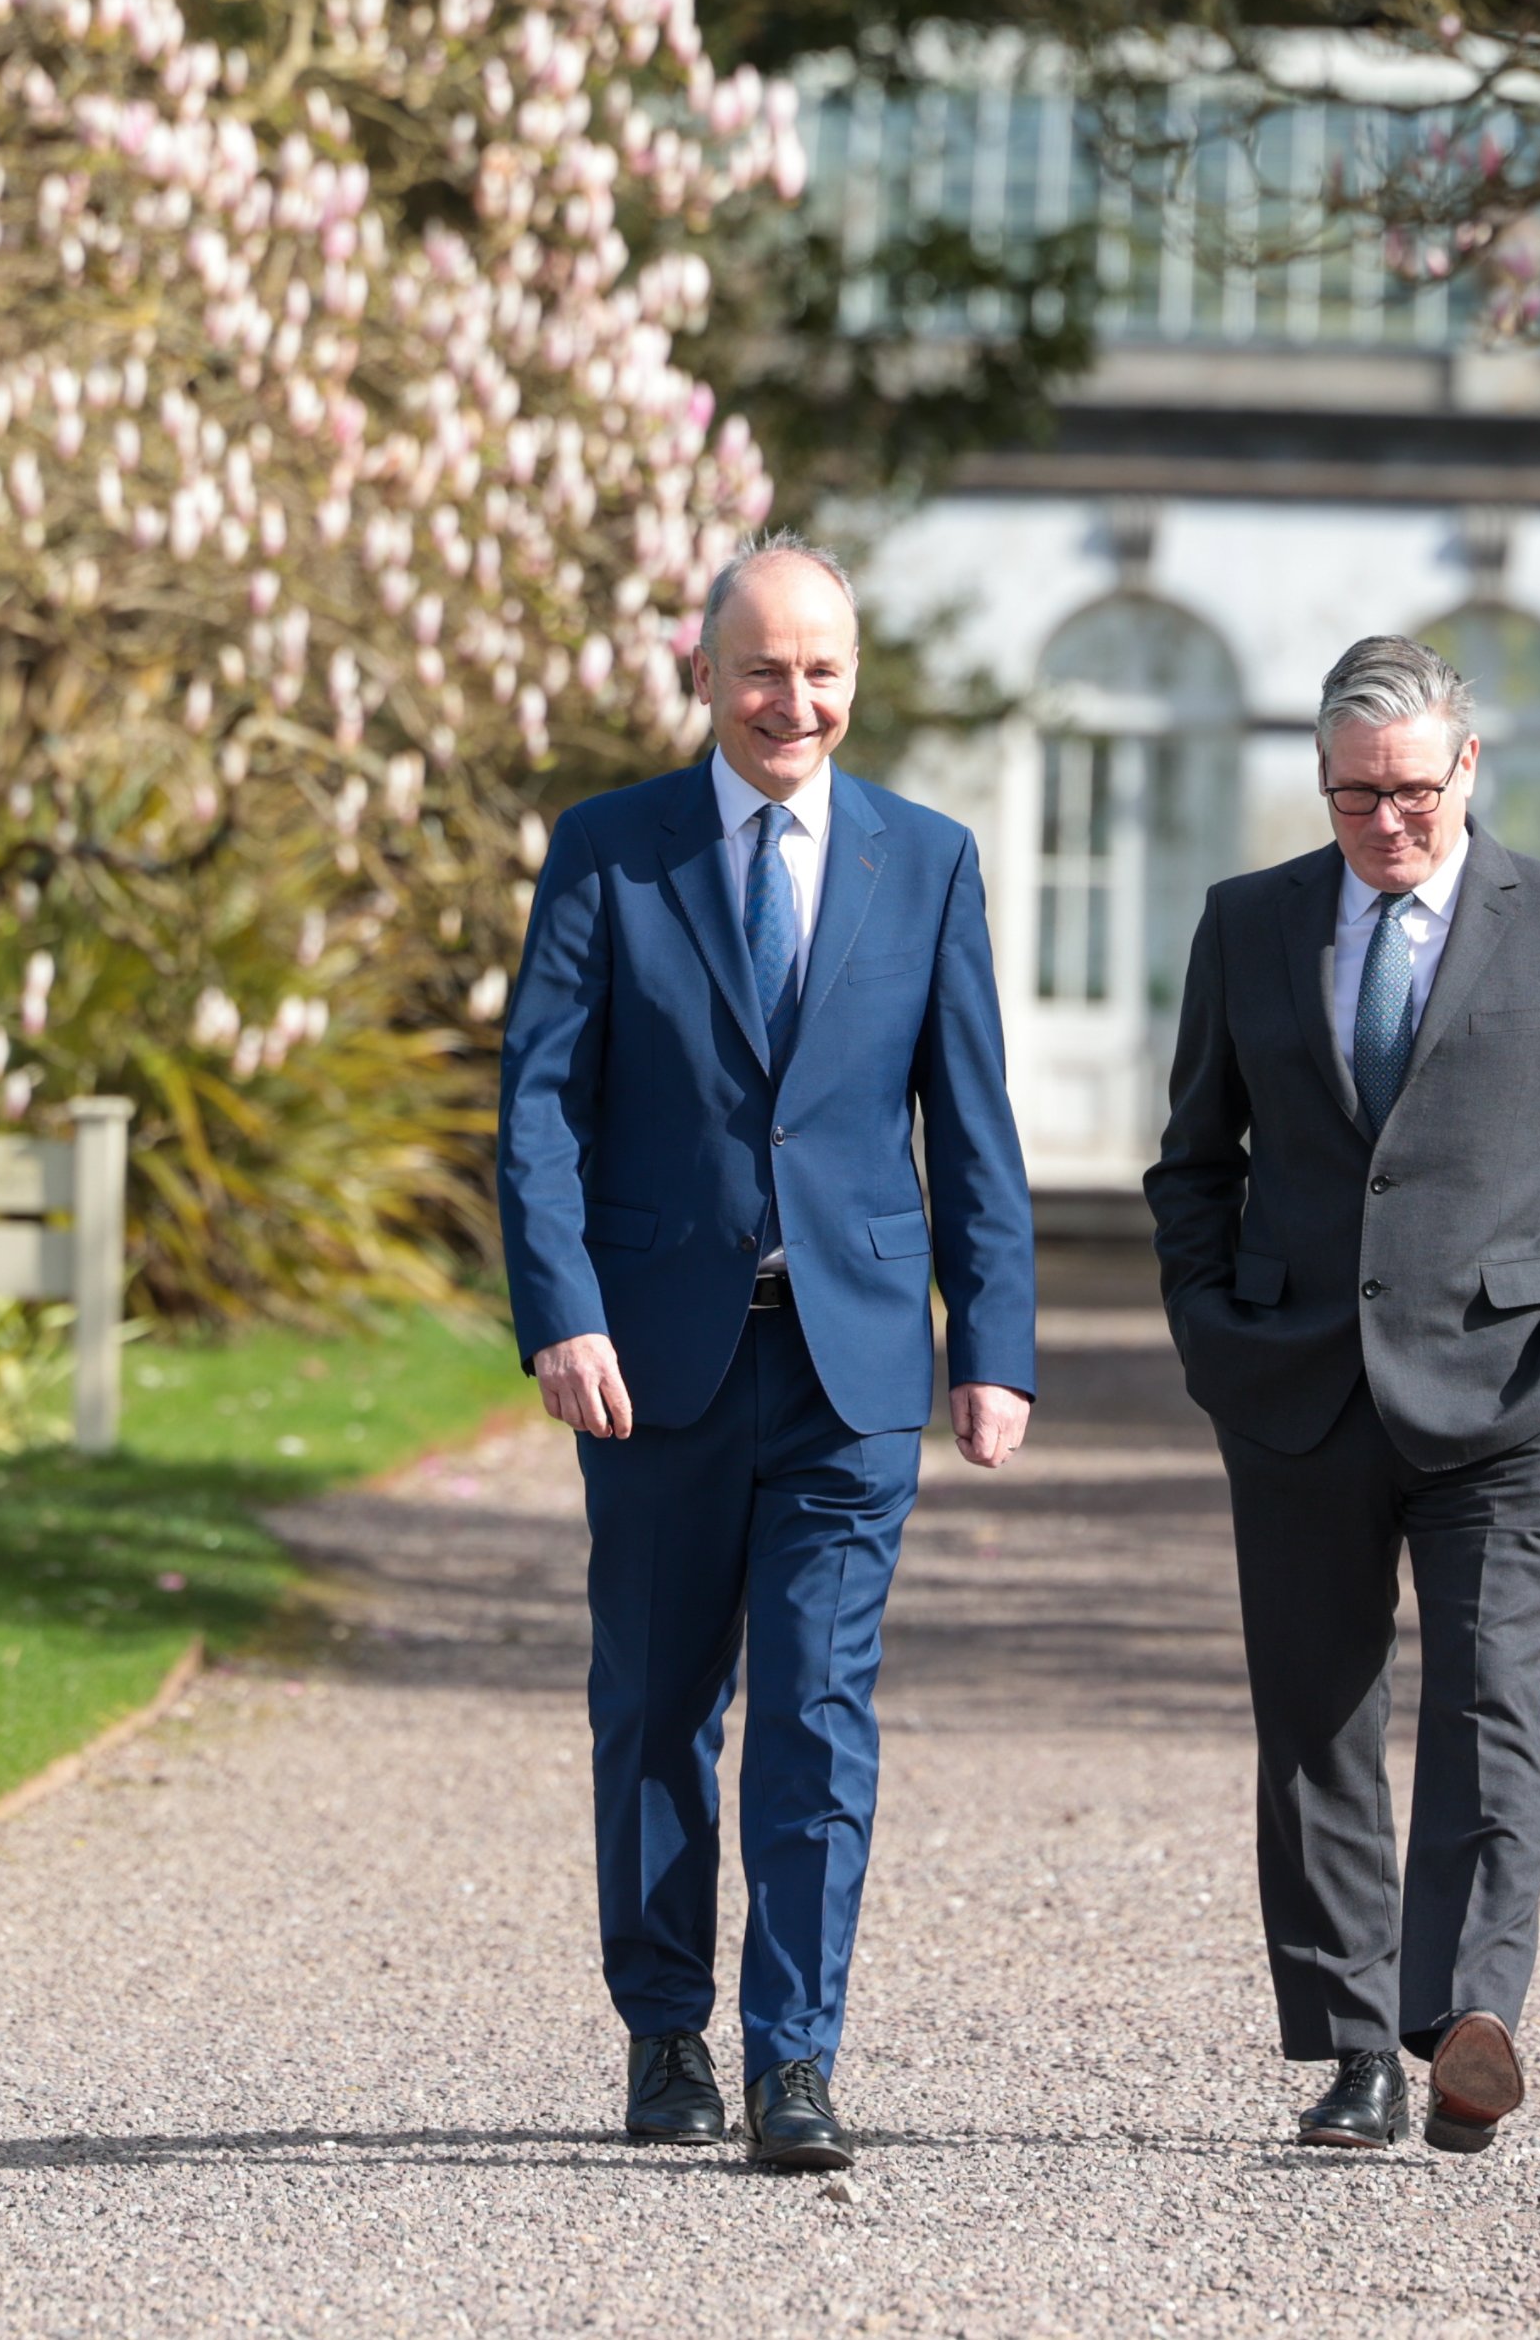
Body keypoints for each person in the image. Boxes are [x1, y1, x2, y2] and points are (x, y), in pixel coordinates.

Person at [496, 534, 1036, 2174]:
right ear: (707, 673)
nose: (791, 698)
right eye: (761, 668)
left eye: (821, 671)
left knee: (818, 1708)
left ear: (851, 682)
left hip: (853, 1365)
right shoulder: (610, 851)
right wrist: (563, 1307)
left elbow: (974, 1117)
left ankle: (795, 2056)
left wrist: (991, 1336)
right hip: (654, 1362)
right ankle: (666, 2031)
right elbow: (535, 1105)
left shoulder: (925, 858)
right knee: (659, 1707)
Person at [1146, 631, 1540, 2156]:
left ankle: (1462, 2022)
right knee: (1315, 1720)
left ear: (1469, 769)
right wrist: (1213, 1336)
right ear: (1320, 786)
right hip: (1300, 1387)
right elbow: (1193, 1160)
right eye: (1352, 794)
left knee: (1485, 1700)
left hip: (1514, 1394)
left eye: (1411, 790)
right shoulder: (1247, 926)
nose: (1387, 821)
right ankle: (1355, 2048)